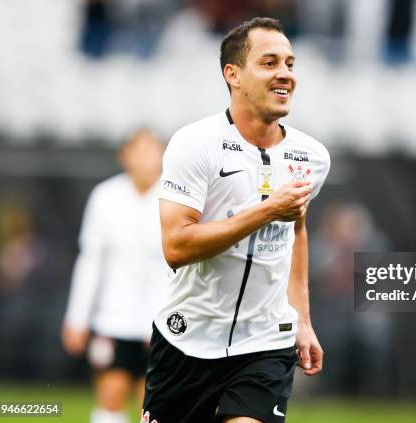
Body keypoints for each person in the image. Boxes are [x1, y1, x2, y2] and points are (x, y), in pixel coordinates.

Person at [141, 17, 330, 423]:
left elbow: (295, 230)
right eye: (269, 62)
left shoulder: (311, 156)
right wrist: (265, 210)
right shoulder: (195, 145)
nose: (285, 74)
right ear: (233, 75)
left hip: (265, 342)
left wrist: (302, 320)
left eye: (290, 64)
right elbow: (176, 247)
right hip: (186, 340)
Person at [61, 129, 167, 423]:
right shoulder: (106, 197)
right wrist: (78, 317)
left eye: (153, 150)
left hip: (160, 320)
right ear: (125, 156)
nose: (147, 158)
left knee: (154, 404)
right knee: (110, 395)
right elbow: (91, 259)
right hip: (114, 317)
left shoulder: (173, 198)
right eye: (140, 150)